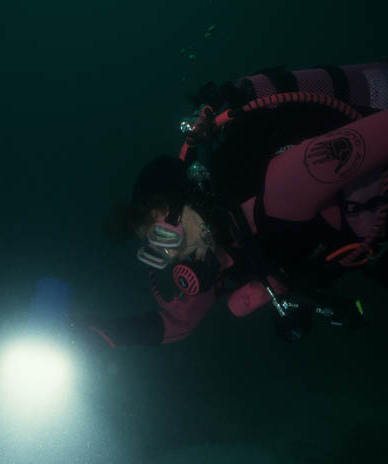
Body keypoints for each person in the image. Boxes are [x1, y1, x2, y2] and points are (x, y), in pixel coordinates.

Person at [86, 63, 388, 345]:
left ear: (186, 200)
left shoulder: (283, 184)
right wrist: (97, 337)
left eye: (162, 234)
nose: (172, 255)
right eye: (157, 252)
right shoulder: (223, 246)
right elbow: (177, 322)